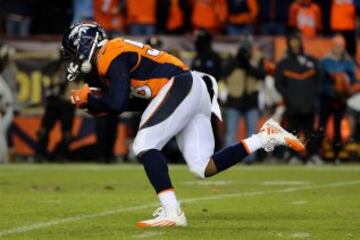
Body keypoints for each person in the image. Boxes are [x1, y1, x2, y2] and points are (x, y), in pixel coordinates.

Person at [62, 21, 304, 227]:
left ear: (87, 43)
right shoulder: (113, 57)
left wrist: (92, 99)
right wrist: (94, 103)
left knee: (144, 144)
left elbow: (116, 104)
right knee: (202, 167)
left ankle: (172, 211)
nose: (72, 58)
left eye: (73, 51)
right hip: (188, 88)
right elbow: (132, 103)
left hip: (181, 85)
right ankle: (265, 137)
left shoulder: (110, 53)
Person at [275, 33, 322, 165]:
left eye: (296, 41)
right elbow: (278, 84)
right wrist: (289, 95)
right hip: (292, 105)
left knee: (310, 131)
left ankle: (312, 155)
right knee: (292, 131)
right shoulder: (283, 64)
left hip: (309, 104)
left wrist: (313, 95)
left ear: (300, 43)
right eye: (292, 42)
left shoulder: (312, 61)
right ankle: (292, 156)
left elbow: (319, 80)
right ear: (289, 44)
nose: (295, 45)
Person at [223, 37, 266, 163]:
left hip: (251, 99)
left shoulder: (258, 59)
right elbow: (223, 72)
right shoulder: (232, 59)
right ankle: (229, 159)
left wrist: (248, 65)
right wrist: (237, 60)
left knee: (251, 132)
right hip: (234, 99)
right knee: (231, 132)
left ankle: (250, 159)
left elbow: (262, 74)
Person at [319, 35, 357, 164]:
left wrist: (346, 86)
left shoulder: (348, 61)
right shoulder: (324, 61)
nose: (338, 48)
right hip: (326, 98)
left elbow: (354, 80)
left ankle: (336, 155)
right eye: (336, 45)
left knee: (337, 129)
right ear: (332, 46)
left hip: (340, 100)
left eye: (340, 45)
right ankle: (318, 154)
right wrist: (333, 79)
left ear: (343, 47)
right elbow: (319, 79)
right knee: (321, 127)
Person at [37, 59, 76, 161]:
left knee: (66, 133)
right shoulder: (55, 64)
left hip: (66, 102)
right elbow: (44, 74)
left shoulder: (76, 65)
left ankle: (62, 155)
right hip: (54, 101)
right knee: (44, 130)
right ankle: (41, 155)